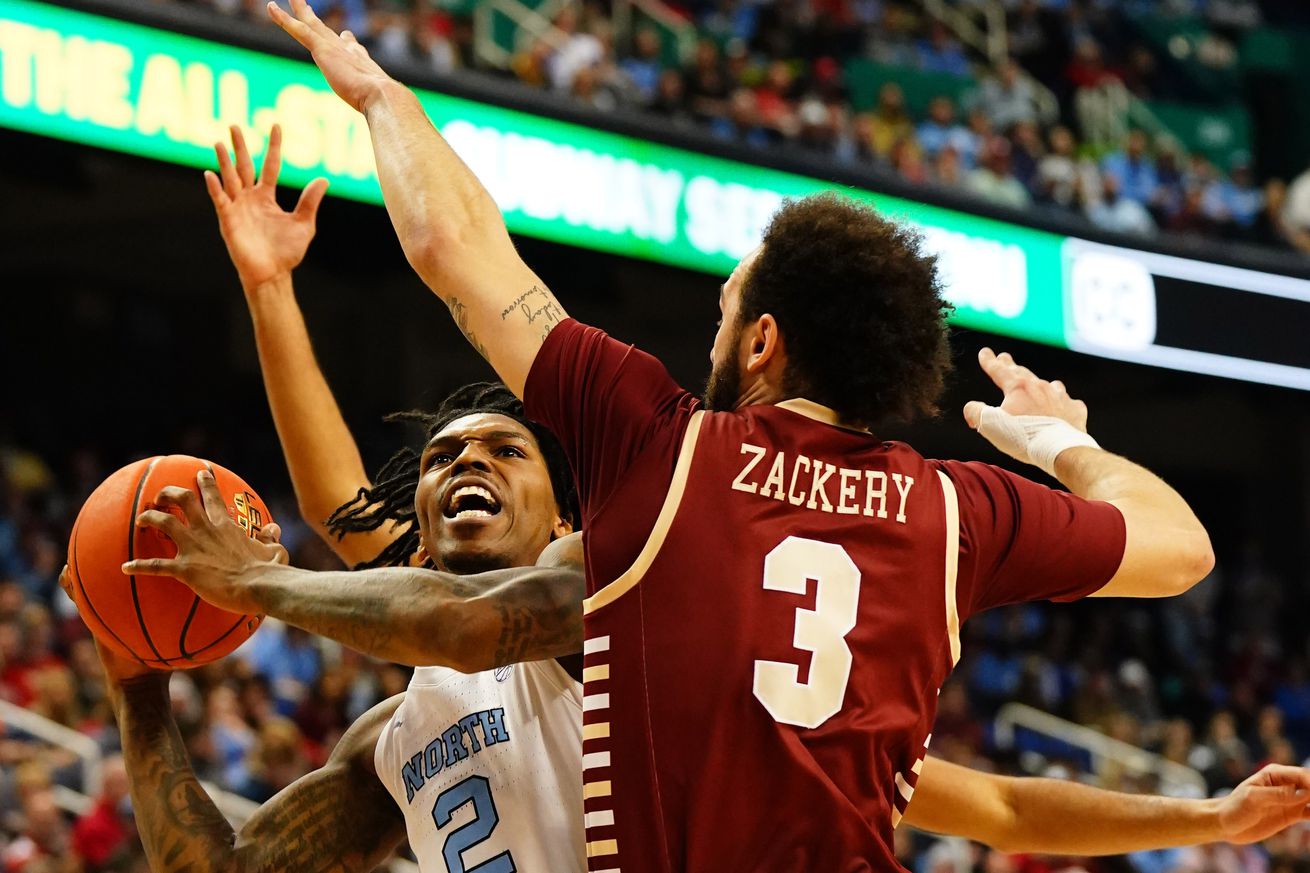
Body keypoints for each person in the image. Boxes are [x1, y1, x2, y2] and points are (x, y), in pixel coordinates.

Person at [97, 119, 1310, 873]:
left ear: (575, 522)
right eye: (447, 460)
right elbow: (357, 538)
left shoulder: (624, 595)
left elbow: (447, 610)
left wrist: (252, 582)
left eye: (509, 452)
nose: (469, 465)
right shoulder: (395, 734)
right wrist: (136, 681)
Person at [257, 2, 1216, 868]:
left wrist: (382, 97)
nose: (713, 326)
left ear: (761, 341)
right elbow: (1180, 550)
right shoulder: (954, 511)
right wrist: (1058, 443)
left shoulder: (661, 447)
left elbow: (451, 248)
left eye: (725, 308)